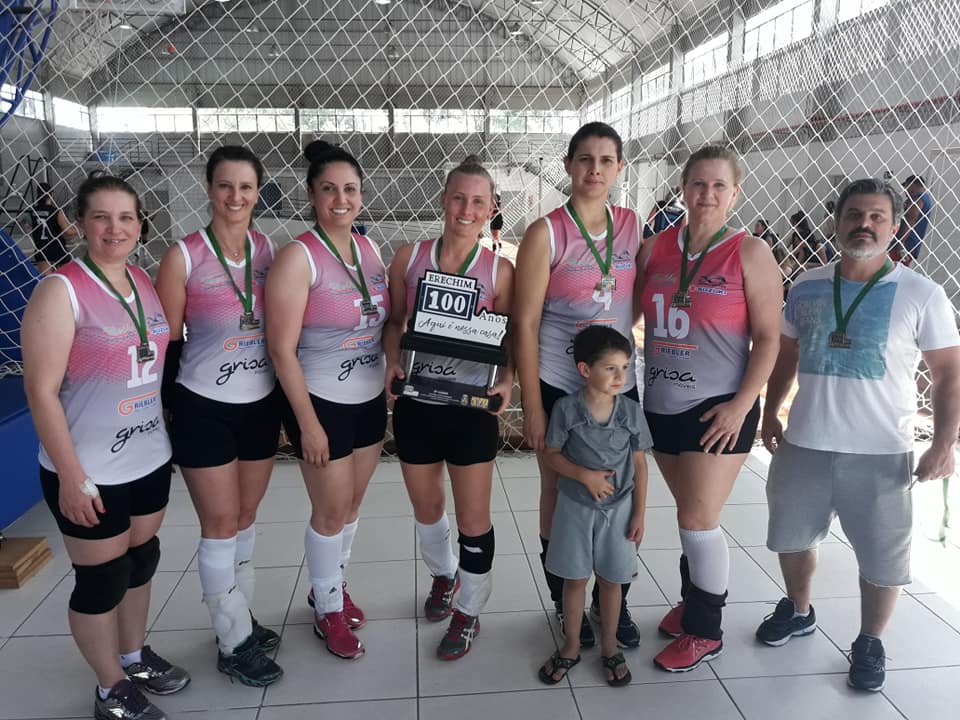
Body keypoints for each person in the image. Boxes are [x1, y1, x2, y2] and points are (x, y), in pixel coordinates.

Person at [757, 178, 960, 692]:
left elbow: (948, 373)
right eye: (854, 215)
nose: (863, 225)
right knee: (791, 537)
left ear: (895, 227)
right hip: (805, 441)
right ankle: (799, 609)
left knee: (882, 557)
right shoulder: (806, 285)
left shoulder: (922, 294)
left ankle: (870, 640)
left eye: (876, 217)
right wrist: (770, 411)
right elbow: (787, 354)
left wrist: (943, 442)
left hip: (881, 452)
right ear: (837, 222)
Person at [21, 174, 190, 720]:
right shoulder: (61, 290)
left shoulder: (142, 279)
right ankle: (109, 687)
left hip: (148, 457)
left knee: (140, 561)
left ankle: (133, 656)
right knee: (101, 580)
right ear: (80, 224)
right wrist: (71, 476)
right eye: (100, 217)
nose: (114, 229)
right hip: (91, 467)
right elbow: (40, 392)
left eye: (125, 218)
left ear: (140, 225)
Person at [636, 145, 782, 672]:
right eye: (698, 183)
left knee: (699, 520)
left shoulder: (750, 252)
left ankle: (705, 630)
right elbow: (624, 314)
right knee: (688, 515)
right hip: (661, 403)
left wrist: (742, 405)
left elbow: (769, 339)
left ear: (735, 193)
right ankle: (694, 598)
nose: (707, 194)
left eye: (719, 185)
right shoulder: (654, 249)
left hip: (719, 407)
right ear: (683, 188)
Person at [154, 146, 283, 686]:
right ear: (209, 189)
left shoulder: (268, 250)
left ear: (257, 193)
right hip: (202, 405)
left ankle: (240, 616)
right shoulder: (183, 256)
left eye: (245, 187)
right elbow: (165, 343)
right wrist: (164, 412)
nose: (235, 196)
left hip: (260, 404)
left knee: (246, 518)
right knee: (220, 523)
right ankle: (231, 641)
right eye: (225, 185)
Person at [515, 122, 642, 650]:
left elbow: (640, 299)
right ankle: (563, 596)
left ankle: (614, 599)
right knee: (560, 489)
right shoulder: (545, 233)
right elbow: (524, 323)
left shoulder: (632, 225)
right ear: (568, 165)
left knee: (620, 489)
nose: (595, 169)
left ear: (619, 168)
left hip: (614, 389)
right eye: (585, 159)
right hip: (560, 385)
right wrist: (533, 407)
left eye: (606, 160)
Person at [383, 157, 514, 660]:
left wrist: (508, 381)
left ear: (491, 208)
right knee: (427, 509)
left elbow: (510, 337)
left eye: (478, 201)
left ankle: (470, 610)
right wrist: (392, 362)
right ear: (443, 199)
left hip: (471, 408)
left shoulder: (500, 270)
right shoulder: (409, 257)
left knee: (473, 518)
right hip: (418, 401)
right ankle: (445, 575)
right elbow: (395, 321)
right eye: (458, 197)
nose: (466, 209)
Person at [266, 140, 388, 660]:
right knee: (330, 511)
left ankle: (331, 586)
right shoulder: (298, 257)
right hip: (322, 401)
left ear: (362, 195)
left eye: (350, 189)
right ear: (312, 196)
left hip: (368, 397)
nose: (341, 199)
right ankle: (327, 610)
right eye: (329, 190)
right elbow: (280, 348)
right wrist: (308, 424)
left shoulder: (368, 248)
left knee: (352, 505)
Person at [537, 326, 650, 688]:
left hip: (620, 510)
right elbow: (552, 454)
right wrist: (584, 476)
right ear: (585, 370)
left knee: (612, 581)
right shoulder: (566, 409)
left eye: (625, 367)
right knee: (575, 580)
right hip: (574, 507)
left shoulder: (630, 411)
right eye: (610, 368)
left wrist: (639, 513)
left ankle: (610, 646)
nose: (620, 377)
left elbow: (640, 464)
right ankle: (571, 646)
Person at [29, 182, 78, 274]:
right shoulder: (56, 211)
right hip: (57, 249)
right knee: (66, 277)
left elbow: (27, 225)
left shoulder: (33, 211)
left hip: (41, 249)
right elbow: (68, 231)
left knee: (47, 279)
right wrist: (81, 229)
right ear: (50, 196)